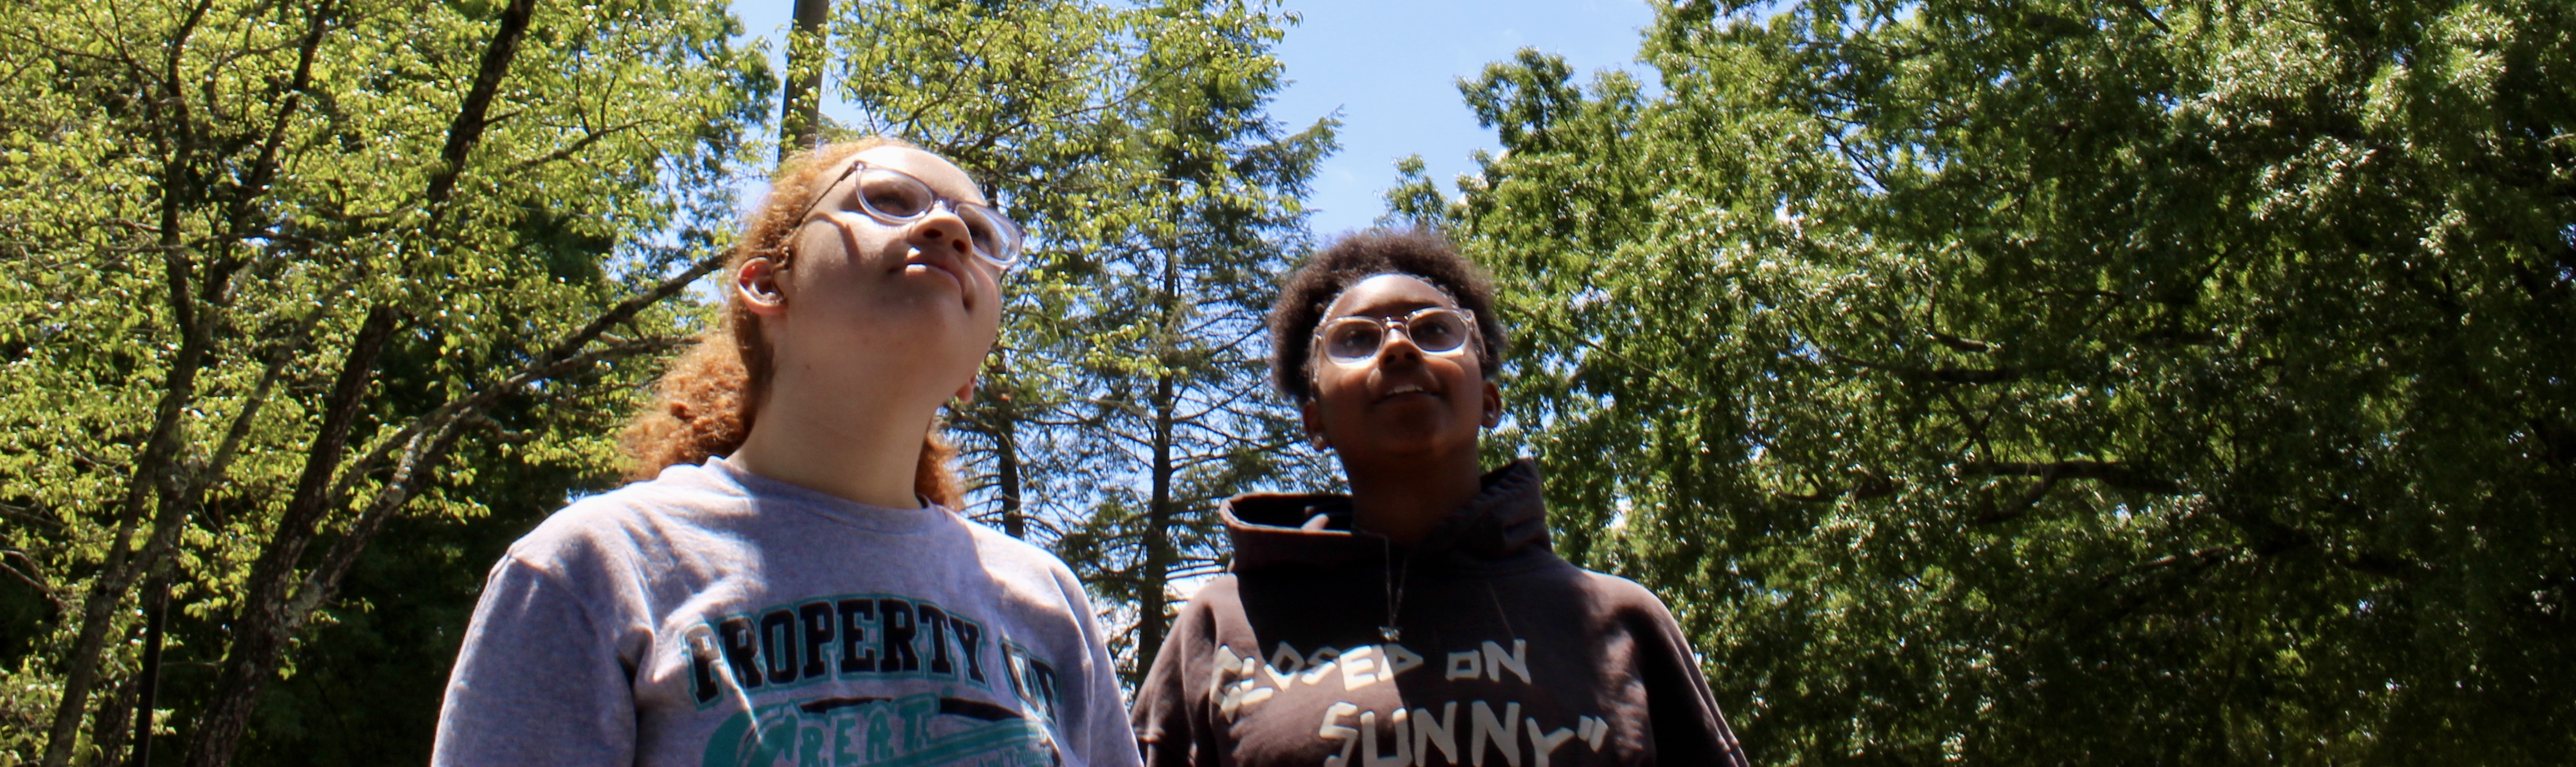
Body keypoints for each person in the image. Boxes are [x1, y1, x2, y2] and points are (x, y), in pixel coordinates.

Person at [433, 138, 1139, 767]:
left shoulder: (1049, 604)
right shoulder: (595, 569)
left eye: (982, 234)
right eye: (887, 199)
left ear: (971, 375)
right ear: (768, 284)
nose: (951, 227)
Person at [1134, 230, 1746, 767]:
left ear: (1489, 399)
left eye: (1434, 330)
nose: (1399, 348)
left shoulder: (1619, 620)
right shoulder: (1219, 627)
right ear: (1313, 421)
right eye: (1355, 339)